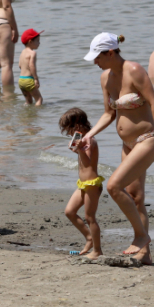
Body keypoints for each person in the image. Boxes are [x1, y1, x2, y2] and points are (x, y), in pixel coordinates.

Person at [78, 32, 154, 265]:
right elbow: (109, 114)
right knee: (136, 197)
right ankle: (145, 255)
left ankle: (141, 236)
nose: (95, 62)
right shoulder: (105, 79)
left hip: (146, 139)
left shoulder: (135, 70)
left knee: (114, 186)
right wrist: (88, 135)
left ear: (110, 52)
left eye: (98, 57)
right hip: (127, 144)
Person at [60, 108, 103, 259]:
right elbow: (83, 159)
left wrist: (80, 150)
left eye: (69, 130)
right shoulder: (82, 141)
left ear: (77, 126)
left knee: (90, 217)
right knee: (69, 212)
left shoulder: (89, 140)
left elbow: (88, 163)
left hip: (92, 184)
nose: (69, 134)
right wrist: (77, 150)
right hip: (83, 184)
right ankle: (89, 238)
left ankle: (97, 250)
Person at [17, 28, 43, 106]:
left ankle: (26, 115)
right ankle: (36, 115)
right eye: (37, 41)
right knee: (39, 99)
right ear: (30, 42)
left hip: (21, 80)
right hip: (29, 80)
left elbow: (19, 65)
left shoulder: (22, 52)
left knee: (29, 101)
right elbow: (31, 66)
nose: (39, 43)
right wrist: (36, 79)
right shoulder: (32, 53)